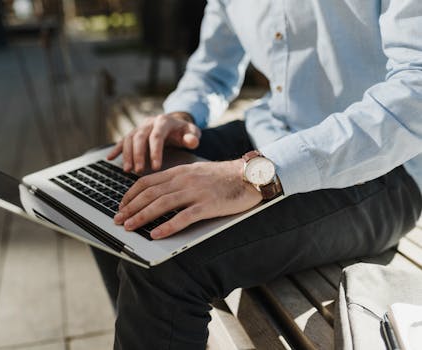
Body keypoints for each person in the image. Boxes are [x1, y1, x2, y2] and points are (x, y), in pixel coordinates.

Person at [92, 1, 422, 349]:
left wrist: (254, 175)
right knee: (108, 182)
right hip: (269, 133)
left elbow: (415, 94)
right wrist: (183, 113)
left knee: (166, 265)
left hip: (382, 169)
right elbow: (212, 66)